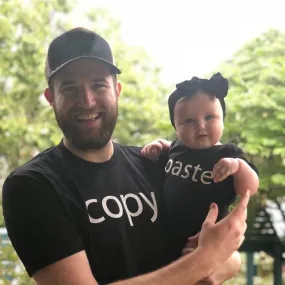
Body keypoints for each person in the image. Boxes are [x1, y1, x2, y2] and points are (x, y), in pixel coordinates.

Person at [2, 27, 249, 285]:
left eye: (99, 85)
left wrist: (223, 261)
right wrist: (202, 263)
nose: (87, 101)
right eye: (70, 89)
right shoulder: (32, 185)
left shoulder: (154, 163)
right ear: (51, 98)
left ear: (117, 90)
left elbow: (226, 253)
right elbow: (206, 259)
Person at [141, 73, 259, 257]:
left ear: (223, 120)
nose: (201, 126)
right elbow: (170, 147)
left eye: (209, 117)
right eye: (189, 121)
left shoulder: (227, 154)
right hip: (168, 234)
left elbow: (250, 189)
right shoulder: (178, 147)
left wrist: (238, 167)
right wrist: (160, 144)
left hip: (205, 238)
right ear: (176, 127)